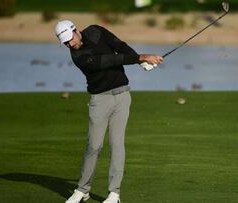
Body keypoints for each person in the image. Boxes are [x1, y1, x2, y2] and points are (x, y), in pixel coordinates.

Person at [55, 20, 163, 203]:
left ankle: (114, 193)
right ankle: (82, 190)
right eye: (65, 43)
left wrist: (138, 60)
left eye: (70, 39)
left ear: (75, 30)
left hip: (122, 95)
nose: (70, 44)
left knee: (117, 144)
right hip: (100, 99)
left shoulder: (96, 31)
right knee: (94, 146)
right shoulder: (79, 56)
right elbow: (108, 60)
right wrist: (140, 58)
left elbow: (119, 46)